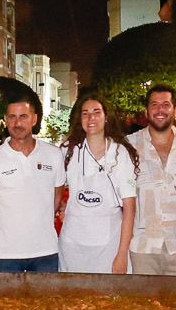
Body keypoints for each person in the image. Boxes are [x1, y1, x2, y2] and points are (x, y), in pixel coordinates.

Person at [0, 98, 65, 273]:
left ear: (34, 119)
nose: (18, 123)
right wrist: (5, 230)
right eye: (12, 117)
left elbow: (57, 198)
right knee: (4, 301)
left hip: (45, 251)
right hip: (5, 255)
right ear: (6, 120)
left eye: (23, 116)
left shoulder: (54, 155)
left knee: (46, 301)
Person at [59, 92, 138, 274]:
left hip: (109, 246)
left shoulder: (120, 154)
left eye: (96, 112)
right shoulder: (68, 152)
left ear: (106, 117)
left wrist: (122, 254)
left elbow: (130, 208)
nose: (91, 118)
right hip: (73, 245)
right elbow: (52, 186)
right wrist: (62, 204)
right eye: (85, 113)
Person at [127, 84, 176, 275]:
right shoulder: (129, 145)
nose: (160, 110)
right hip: (144, 247)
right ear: (146, 110)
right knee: (143, 304)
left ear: (175, 110)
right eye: (154, 104)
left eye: (166, 105)